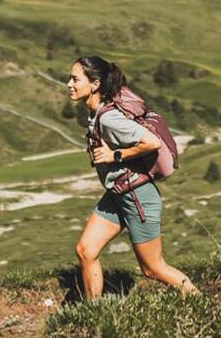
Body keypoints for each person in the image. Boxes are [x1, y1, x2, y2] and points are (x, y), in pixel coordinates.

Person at [67, 54, 197, 299]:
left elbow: (152, 142)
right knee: (86, 250)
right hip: (117, 195)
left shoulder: (109, 118)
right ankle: (93, 314)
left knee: (153, 268)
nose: (69, 84)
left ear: (94, 84)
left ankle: (205, 307)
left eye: (75, 79)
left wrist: (115, 155)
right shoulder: (96, 113)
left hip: (137, 197)